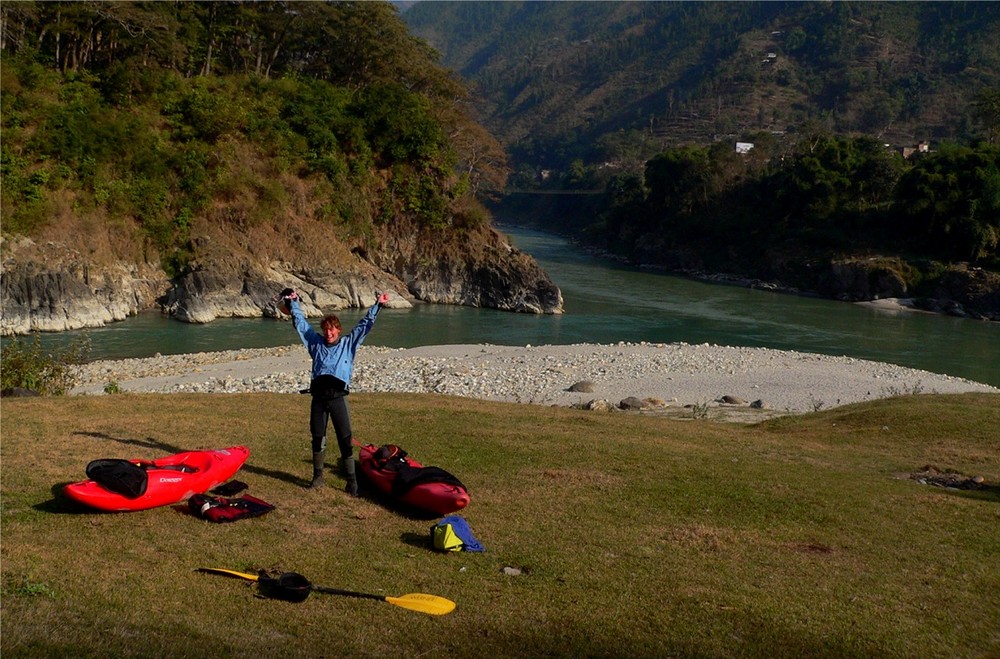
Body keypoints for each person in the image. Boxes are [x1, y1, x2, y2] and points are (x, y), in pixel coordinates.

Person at [278, 287, 390, 495]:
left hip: (338, 399)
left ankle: (352, 482)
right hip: (319, 399)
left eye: (332, 330)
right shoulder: (315, 344)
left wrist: (378, 305)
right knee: (318, 437)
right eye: (326, 330)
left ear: (338, 330)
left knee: (345, 439)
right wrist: (293, 303)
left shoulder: (348, 344)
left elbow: (365, 325)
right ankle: (317, 477)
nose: (328, 333)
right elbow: (301, 326)